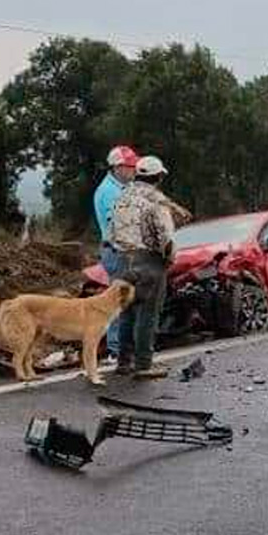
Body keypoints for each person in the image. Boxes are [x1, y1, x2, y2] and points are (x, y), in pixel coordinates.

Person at [109, 156, 177, 379]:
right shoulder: (157, 200)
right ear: (158, 177)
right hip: (148, 260)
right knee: (147, 313)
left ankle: (123, 361)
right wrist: (168, 259)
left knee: (127, 312)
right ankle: (144, 364)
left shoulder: (122, 197)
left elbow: (110, 232)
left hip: (122, 258)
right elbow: (165, 237)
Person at [93, 145, 140, 363]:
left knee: (126, 299)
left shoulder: (122, 188)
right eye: (129, 166)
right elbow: (121, 225)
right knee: (118, 299)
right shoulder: (109, 192)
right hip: (117, 250)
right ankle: (115, 349)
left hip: (123, 250)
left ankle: (124, 346)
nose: (133, 170)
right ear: (117, 167)